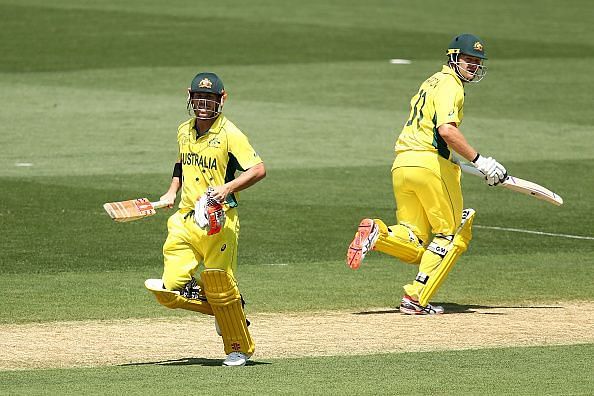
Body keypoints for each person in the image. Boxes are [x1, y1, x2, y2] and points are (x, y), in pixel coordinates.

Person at [346, 34, 506, 315]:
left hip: (403, 164)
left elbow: (431, 131)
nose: (473, 66)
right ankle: (416, 297)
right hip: (430, 166)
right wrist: (481, 161)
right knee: (451, 233)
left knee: (415, 238)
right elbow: (446, 130)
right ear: (454, 57)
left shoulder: (431, 81)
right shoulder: (451, 86)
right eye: (469, 60)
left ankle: (379, 233)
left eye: (477, 62)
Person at [144, 72, 266, 366]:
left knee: (219, 283)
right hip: (185, 219)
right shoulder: (184, 130)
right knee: (168, 289)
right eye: (199, 97)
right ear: (190, 96)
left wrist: (227, 188)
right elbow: (181, 162)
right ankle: (224, 306)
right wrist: (172, 191)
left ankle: (238, 347)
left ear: (221, 100)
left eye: (210, 99)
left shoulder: (230, 134)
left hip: (218, 221)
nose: (204, 104)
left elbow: (258, 169)